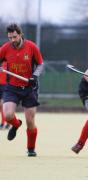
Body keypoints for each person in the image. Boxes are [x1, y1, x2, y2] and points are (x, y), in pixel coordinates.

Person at [0, 23, 44, 156]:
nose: (12, 40)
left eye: (14, 37)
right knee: (7, 115)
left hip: (29, 88)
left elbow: (41, 64)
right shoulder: (5, 48)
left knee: (30, 121)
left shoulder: (31, 47)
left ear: (20, 35)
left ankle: (31, 149)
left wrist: (34, 76)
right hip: (11, 87)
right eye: (10, 37)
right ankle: (16, 124)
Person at [0, 60, 10, 130]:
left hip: (5, 86)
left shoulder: (7, 63)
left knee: (2, 104)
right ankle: (5, 123)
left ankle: (4, 123)